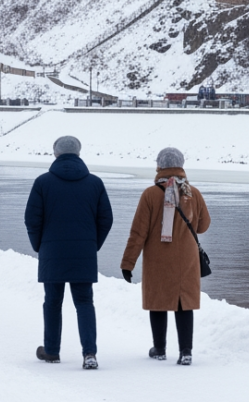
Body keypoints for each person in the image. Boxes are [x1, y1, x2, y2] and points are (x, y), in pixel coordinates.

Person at [24, 136, 114, 369]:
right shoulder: (94, 183)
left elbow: (32, 219)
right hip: (83, 252)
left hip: (52, 251)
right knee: (84, 302)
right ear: (79, 153)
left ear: (55, 153)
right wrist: (92, 244)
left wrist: (40, 245)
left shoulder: (43, 182)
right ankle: (90, 354)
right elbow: (106, 219)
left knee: (52, 302)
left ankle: (52, 351)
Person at [121, 147, 211, 366]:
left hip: (158, 257)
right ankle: (186, 351)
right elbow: (203, 226)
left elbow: (138, 232)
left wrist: (128, 263)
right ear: (181, 165)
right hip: (187, 259)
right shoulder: (193, 193)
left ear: (159, 166)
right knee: (184, 303)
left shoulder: (150, 195)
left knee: (158, 300)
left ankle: (159, 348)